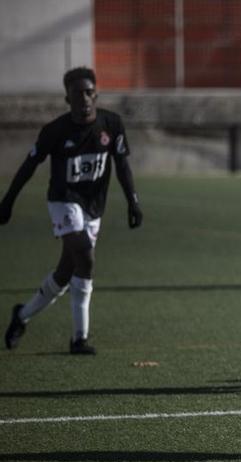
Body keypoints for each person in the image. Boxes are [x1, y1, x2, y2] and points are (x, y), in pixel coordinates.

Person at [1, 67, 143, 355]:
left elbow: (123, 165)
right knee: (85, 256)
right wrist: (8, 201)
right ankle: (80, 339)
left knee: (67, 270)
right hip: (63, 200)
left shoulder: (111, 124)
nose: (85, 98)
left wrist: (133, 201)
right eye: (78, 93)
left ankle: (22, 315)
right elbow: (29, 166)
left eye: (89, 92)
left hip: (93, 206)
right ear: (67, 98)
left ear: (97, 93)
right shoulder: (55, 131)